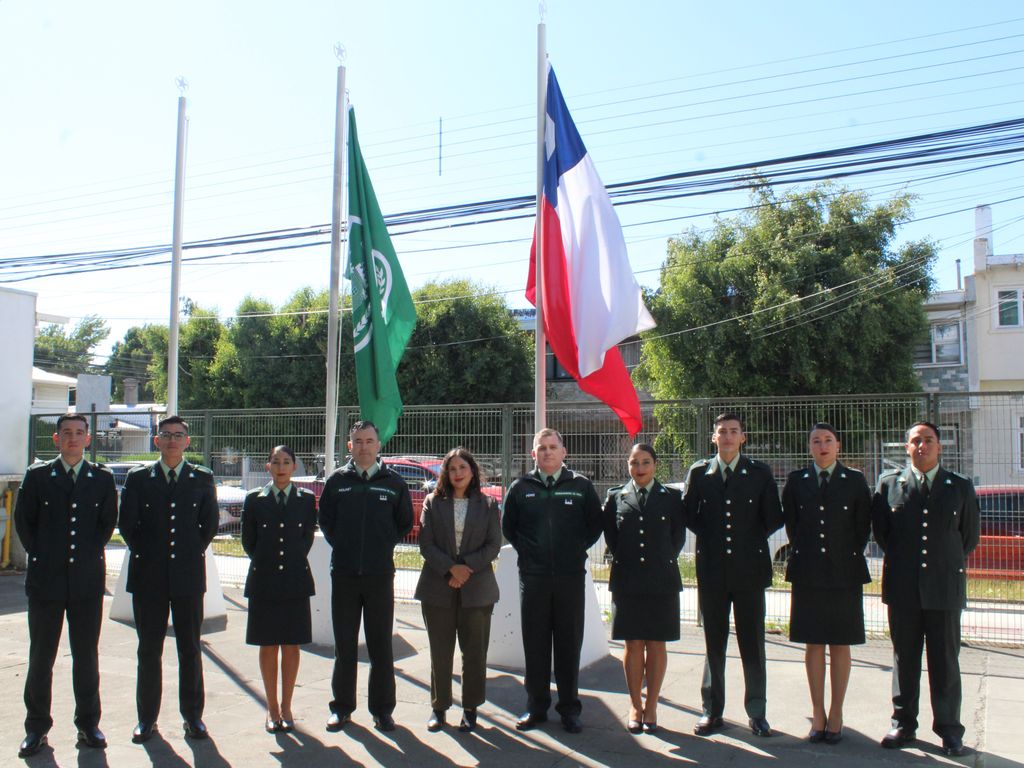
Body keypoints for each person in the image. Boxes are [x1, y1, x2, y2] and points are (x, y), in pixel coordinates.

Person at [872, 421, 979, 757]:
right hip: (903, 587)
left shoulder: (959, 486)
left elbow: (968, 537)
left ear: (939, 447)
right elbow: (883, 534)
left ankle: (949, 730)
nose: (922, 446)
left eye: (928, 440)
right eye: (915, 441)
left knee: (945, 659)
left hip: (944, 586)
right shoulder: (890, 484)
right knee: (904, 658)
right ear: (907, 448)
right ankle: (903, 722)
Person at [14, 414, 117, 758]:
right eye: (66, 433)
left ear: (88, 439)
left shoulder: (100, 478)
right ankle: (36, 727)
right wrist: (45, 556)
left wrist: (82, 559)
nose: (73, 438)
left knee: (86, 656)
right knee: (41, 657)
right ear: (56, 439)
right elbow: (24, 523)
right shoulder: (39, 476)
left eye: (79, 433)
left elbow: (106, 525)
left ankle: (88, 723)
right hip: (47, 581)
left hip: (86, 582)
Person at [118, 415, 219, 743]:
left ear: (187, 442)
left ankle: (193, 717)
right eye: (166, 435)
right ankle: (146, 719)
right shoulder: (139, 478)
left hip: (188, 577)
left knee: (189, 649)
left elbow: (208, 526)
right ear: (156, 441)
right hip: (149, 577)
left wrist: (185, 556)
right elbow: (128, 526)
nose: (172, 441)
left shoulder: (201, 478)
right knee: (149, 650)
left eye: (178, 436)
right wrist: (153, 557)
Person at [683, 412, 783, 738]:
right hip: (712, 571)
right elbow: (690, 515)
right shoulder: (700, 473)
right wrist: (713, 539)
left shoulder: (759, 473)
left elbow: (773, 518)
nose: (727, 437)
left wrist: (747, 540)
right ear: (714, 438)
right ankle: (711, 711)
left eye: (734, 431)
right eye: (722, 432)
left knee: (752, 644)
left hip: (749, 572)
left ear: (743, 437)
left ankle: (757, 712)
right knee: (714, 644)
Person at [501, 427, 603, 734]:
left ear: (563, 452)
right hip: (533, 578)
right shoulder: (521, 487)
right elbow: (510, 527)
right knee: (536, 644)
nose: (546, 452)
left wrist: (572, 551)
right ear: (533, 454)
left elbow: (594, 526)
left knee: (569, 644)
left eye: (552, 446)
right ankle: (536, 707)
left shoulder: (581, 486)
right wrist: (531, 553)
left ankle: (570, 708)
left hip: (570, 577)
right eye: (541, 448)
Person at [318, 420, 413, 733]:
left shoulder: (394, 482)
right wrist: (345, 549)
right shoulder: (336, 482)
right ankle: (341, 708)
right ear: (349, 446)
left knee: (380, 647)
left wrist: (379, 548)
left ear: (378, 445)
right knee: (344, 647)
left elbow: (403, 524)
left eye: (369, 441)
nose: (363, 447)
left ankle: (383, 711)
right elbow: (327, 523)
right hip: (344, 575)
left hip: (379, 575)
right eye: (357, 441)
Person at [782, 423, 871, 745]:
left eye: (828, 441)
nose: (822, 446)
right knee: (814, 644)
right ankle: (817, 714)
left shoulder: (855, 481)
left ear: (838, 446)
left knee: (840, 643)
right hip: (808, 572)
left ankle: (837, 713)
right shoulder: (797, 482)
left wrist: (841, 555)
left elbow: (862, 527)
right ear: (809, 447)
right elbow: (793, 525)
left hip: (844, 572)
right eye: (816, 441)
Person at [414, 447, 501, 733]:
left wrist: (465, 568)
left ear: (472, 471)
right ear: (445, 474)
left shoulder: (488, 505)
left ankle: (470, 708)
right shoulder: (432, 502)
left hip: (477, 590)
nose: (457, 473)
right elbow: (425, 544)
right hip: (438, 588)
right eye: (452, 469)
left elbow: (493, 545)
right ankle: (439, 709)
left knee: (474, 653)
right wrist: (452, 569)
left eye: (463, 467)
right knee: (440, 652)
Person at [602, 443, 685, 735]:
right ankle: (635, 705)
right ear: (628, 465)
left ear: (655, 465)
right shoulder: (616, 497)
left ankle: (652, 706)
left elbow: (677, 538)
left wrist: (658, 561)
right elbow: (612, 537)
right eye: (634, 462)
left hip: (661, 580)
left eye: (646, 462)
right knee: (633, 644)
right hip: (628, 580)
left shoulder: (672, 497)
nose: (640, 468)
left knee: (656, 644)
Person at [241, 445, 317, 734]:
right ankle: (271, 708)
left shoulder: (306, 500)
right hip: (264, 581)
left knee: (292, 645)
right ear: (268, 466)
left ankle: (287, 706)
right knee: (268, 644)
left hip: (296, 582)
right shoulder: (255, 500)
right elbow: (249, 542)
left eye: (286, 462)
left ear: (295, 467)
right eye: (276, 462)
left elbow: (305, 539)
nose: (281, 467)